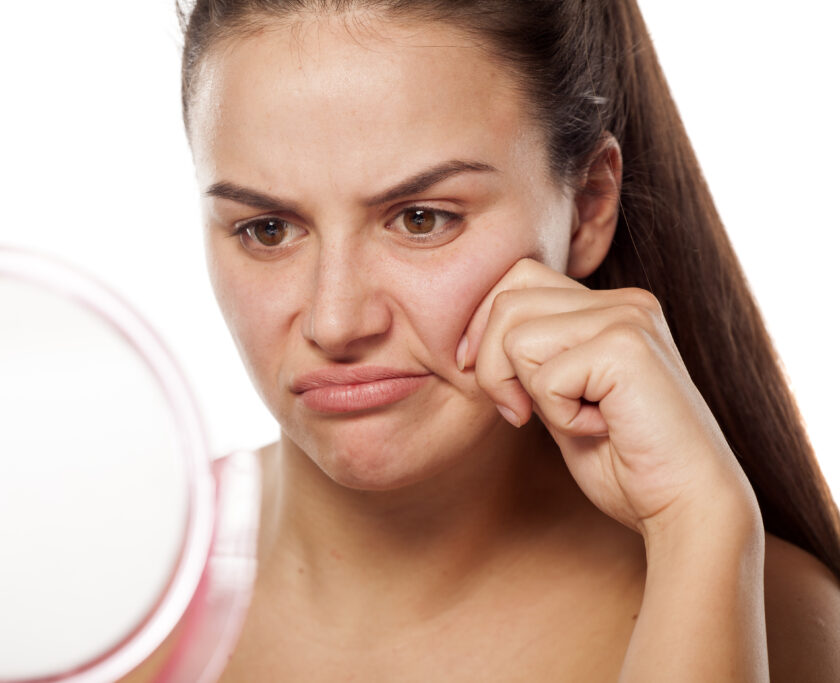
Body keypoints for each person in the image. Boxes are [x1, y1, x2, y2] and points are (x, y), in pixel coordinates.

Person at [175, 1, 840, 680]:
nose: (336, 322)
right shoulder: (102, 575)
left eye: (422, 219)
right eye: (267, 229)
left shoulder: (771, 615)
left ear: (587, 207)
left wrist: (698, 528)